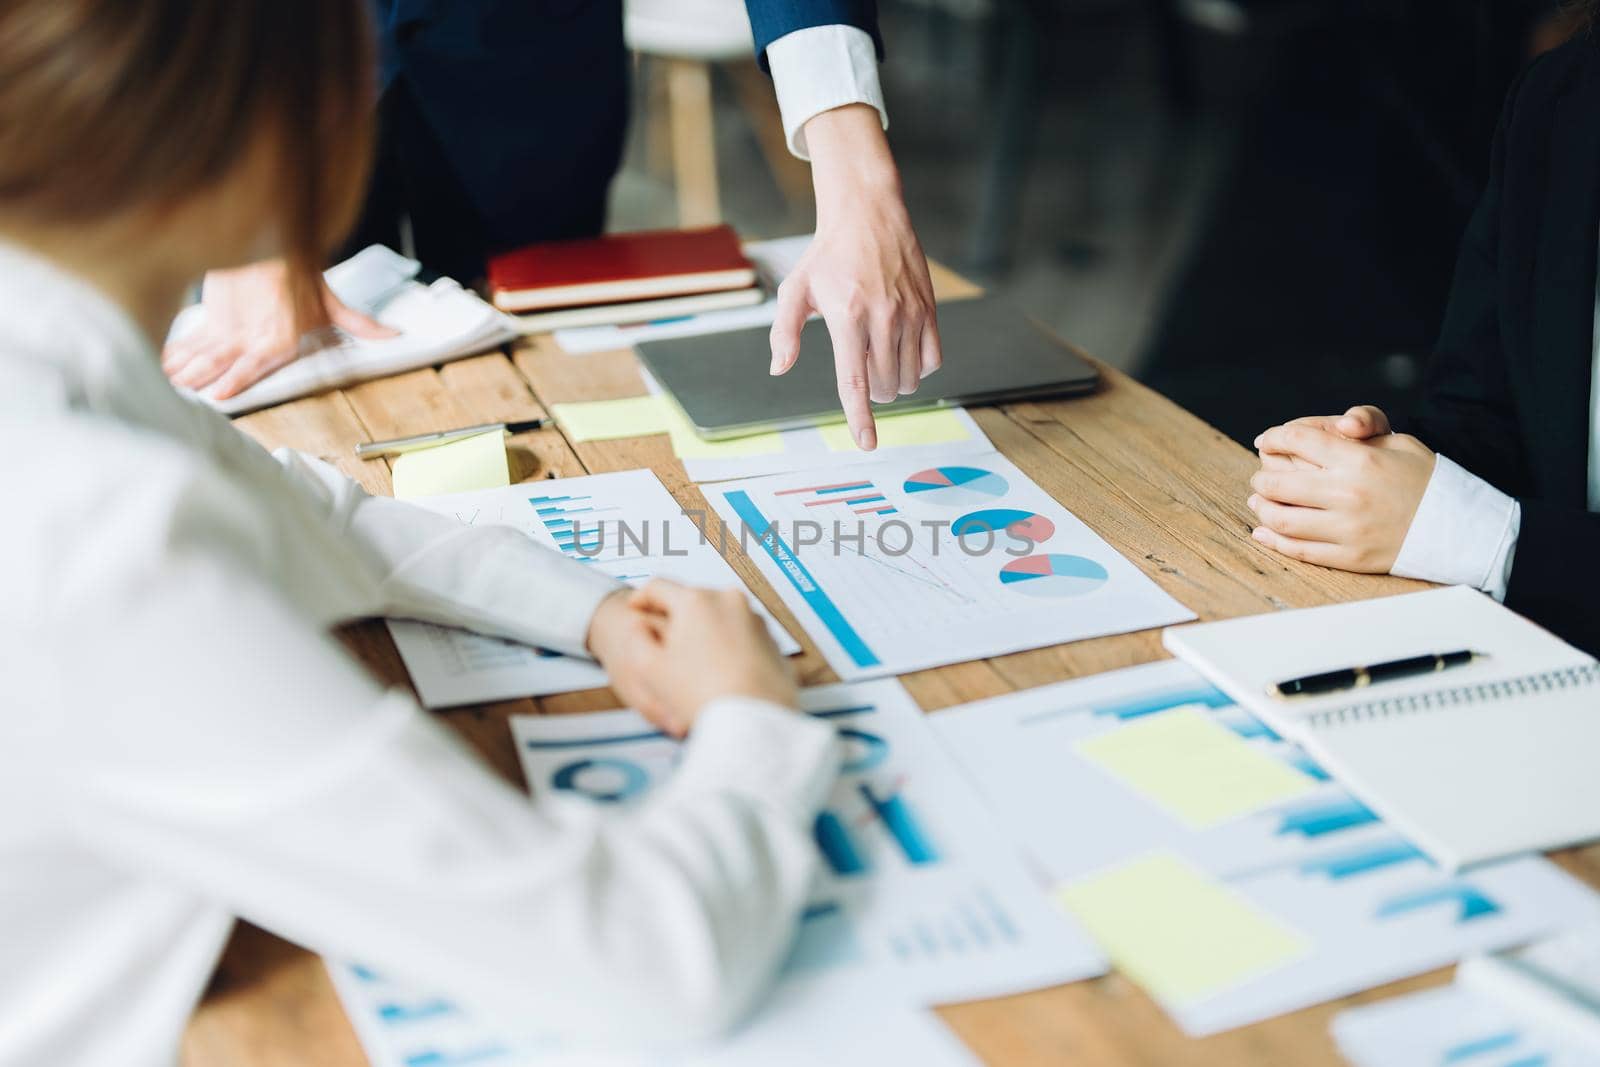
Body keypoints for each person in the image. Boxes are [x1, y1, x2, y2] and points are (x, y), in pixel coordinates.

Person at [0, 2, 843, 1063]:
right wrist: (751, 720)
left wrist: (598, 615)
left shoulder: (54, 349)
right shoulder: (94, 532)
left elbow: (322, 515)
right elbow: (646, 961)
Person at [161, 0, 940, 452]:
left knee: (543, 407)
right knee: (277, 409)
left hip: (527, 62)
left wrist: (857, 169)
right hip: (270, 59)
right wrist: (244, 188)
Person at [1247, 21, 1600, 655]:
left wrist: (1491, 539)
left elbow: (1489, 533)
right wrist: (1386, 468)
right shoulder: (1563, 98)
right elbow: (1490, 406)